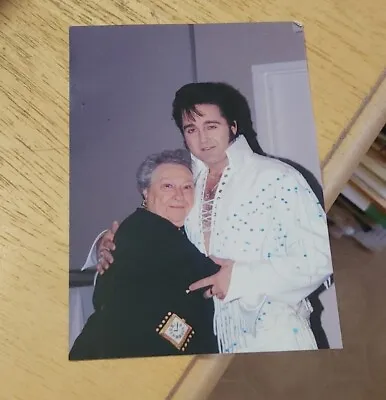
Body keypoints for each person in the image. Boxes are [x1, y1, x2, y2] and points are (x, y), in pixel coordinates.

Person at [84, 82, 334, 353]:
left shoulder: (277, 177)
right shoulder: (190, 180)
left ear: (233, 127)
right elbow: (156, 230)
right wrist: (108, 244)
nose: (202, 138)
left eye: (212, 126)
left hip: (272, 337)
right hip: (208, 339)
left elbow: (322, 257)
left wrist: (240, 279)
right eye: (191, 129)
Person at [69, 149, 222, 360]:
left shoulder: (170, 231)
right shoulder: (146, 230)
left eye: (187, 187)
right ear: (146, 192)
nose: (179, 195)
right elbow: (212, 277)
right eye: (167, 186)